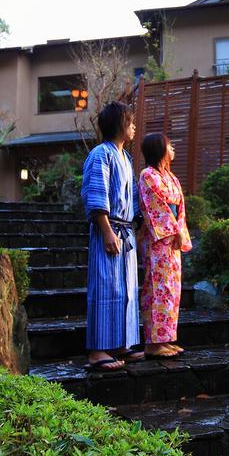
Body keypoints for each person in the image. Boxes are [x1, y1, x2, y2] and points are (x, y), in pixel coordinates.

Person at [80, 101, 143, 371]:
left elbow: (134, 197)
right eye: (130, 122)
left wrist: (136, 222)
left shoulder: (126, 158)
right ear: (119, 124)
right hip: (108, 228)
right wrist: (106, 231)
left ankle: (120, 344)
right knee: (105, 288)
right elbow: (96, 194)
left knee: (126, 290)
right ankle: (97, 351)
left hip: (125, 231)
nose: (134, 126)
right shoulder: (100, 154)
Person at [137, 132, 192, 359]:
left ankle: (166, 338)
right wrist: (174, 232)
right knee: (158, 289)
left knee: (172, 290)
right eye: (170, 146)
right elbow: (155, 207)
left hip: (172, 241)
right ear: (159, 149)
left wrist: (180, 233)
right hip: (158, 241)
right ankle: (153, 343)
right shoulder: (148, 175)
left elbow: (180, 209)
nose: (173, 149)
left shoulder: (172, 177)